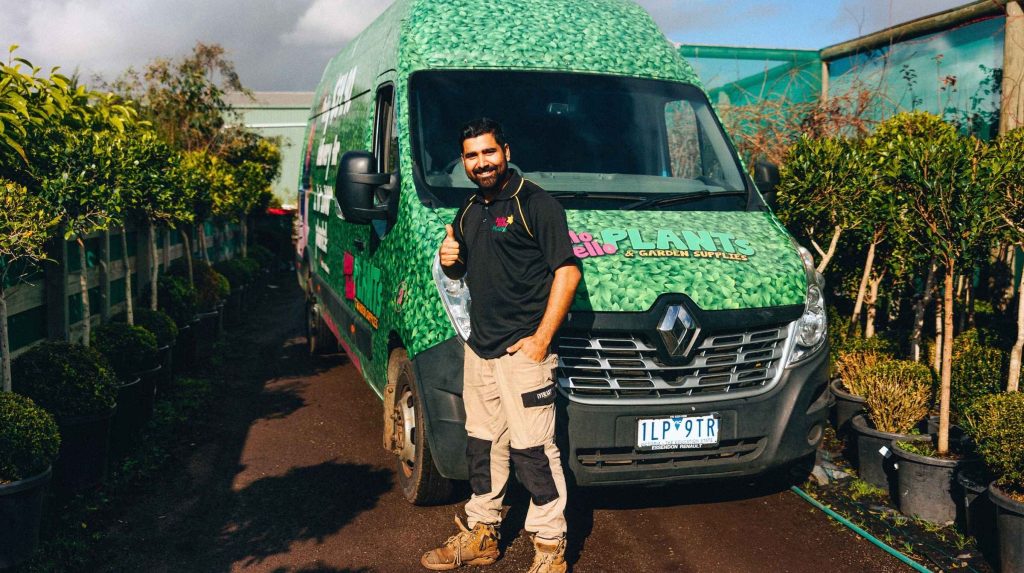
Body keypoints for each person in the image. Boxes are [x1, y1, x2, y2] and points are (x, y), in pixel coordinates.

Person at [422, 118, 581, 573]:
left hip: (523, 354)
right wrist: (448, 261)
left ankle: (550, 549)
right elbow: (463, 272)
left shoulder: (536, 204)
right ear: (463, 162)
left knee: (534, 452)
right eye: (472, 156)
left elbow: (568, 272)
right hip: (482, 351)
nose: (482, 163)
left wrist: (541, 340)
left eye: (489, 152)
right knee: (482, 445)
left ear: (506, 152)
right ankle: (482, 533)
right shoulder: (470, 209)